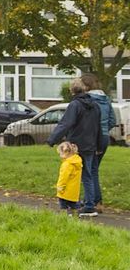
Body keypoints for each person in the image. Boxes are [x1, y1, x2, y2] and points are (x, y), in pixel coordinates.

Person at [47, 76, 102, 218]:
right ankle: (90, 205)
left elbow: (66, 124)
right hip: (90, 146)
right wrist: (99, 144)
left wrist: (52, 139)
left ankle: (70, 203)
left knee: (69, 175)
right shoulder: (95, 105)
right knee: (88, 176)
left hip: (75, 146)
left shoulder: (75, 105)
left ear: (72, 91)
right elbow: (99, 127)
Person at [82, 72, 115, 213]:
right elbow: (113, 120)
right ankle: (95, 201)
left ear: (86, 86)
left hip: (92, 138)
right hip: (105, 138)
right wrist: (104, 131)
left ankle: (94, 202)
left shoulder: (88, 100)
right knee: (94, 170)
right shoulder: (106, 99)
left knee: (90, 172)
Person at [55, 141, 82, 216]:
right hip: (74, 191)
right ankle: (76, 215)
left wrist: (60, 186)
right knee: (74, 204)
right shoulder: (77, 162)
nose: (60, 155)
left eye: (60, 153)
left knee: (63, 205)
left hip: (65, 190)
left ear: (66, 152)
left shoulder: (67, 164)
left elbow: (63, 177)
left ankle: (64, 216)